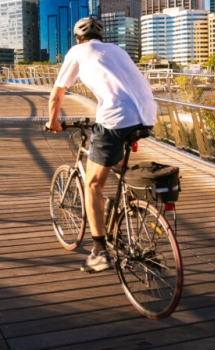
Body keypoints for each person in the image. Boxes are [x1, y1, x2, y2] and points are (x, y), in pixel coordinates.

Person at [45, 16, 157, 273]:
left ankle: (98, 252)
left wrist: (53, 122)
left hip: (117, 118)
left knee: (93, 184)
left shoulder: (77, 51)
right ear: (101, 37)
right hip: (147, 114)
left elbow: (57, 94)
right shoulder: (116, 50)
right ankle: (130, 203)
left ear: (77, 38)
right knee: (113, 161)